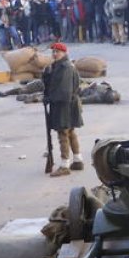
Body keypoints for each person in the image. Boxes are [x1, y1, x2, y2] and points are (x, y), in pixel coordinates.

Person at [43, 42, 84, 177]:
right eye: (53, 52)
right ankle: (77, 160)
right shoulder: (58, 66)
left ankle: (64, 165)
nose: (54, 54)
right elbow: (53, 84)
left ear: (64, 53)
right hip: (66, 104)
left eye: (57, 52)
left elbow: (64, 91)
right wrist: (47, 75)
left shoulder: (65, 67)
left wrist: (50, 98)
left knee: (63, 133)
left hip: (64, 105)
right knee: (70, 132)